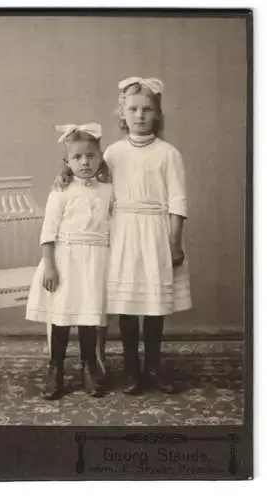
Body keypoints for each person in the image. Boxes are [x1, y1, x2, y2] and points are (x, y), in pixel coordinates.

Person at [104, 76, 192, 395]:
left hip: (156, 232)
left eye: (147, 109)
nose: (139, 115)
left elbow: (178, 200)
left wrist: (174, 241)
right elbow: (103, 197)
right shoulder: (113, 153)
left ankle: (153, 365)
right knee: (127, 304)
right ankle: (131, 369)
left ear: (157, 113)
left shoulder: (168, 154)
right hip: (124, 232)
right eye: (133, 109)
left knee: (154, 304)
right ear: (122, 114)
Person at [26, 123, 112, 400]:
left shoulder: (108, 190)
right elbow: (48, 232)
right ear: (67, 162)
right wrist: (49, 265)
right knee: (61, 319)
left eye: (90, 155)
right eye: (77, 157)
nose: (84, 162)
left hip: (95, 260)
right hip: (65, 259)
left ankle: (89, 368)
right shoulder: (60, 192)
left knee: (88, 317)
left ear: (100, 158)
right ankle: (56, 369)